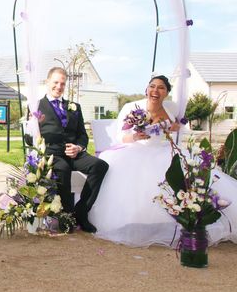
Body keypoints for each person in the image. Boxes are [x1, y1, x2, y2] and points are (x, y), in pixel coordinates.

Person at [89, 75, 237, 247]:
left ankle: (182, 221)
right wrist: (136, 136)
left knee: (186, 170)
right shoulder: (132, 107)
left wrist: (176, 128)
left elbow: (182, 128)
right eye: (152, 86)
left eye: (161, 88)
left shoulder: (172, 108)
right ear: (146, 89)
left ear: (166, 92)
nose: (155, 90)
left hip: (164, 149)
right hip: (135, 150)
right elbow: (120, 137)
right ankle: (139, 223)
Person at [37, 67, 109, 232]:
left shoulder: (74, 106)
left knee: (100, 166)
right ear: (48, 82)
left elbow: (82, 135)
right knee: (62, 169)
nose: (59, 86)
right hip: (52, 154)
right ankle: (66, 216)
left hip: (75, 153)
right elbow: (32, 136)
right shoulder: (37, 106)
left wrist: (79, 147)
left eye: (62, 83)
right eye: (55, 82)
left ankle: (82, 211)